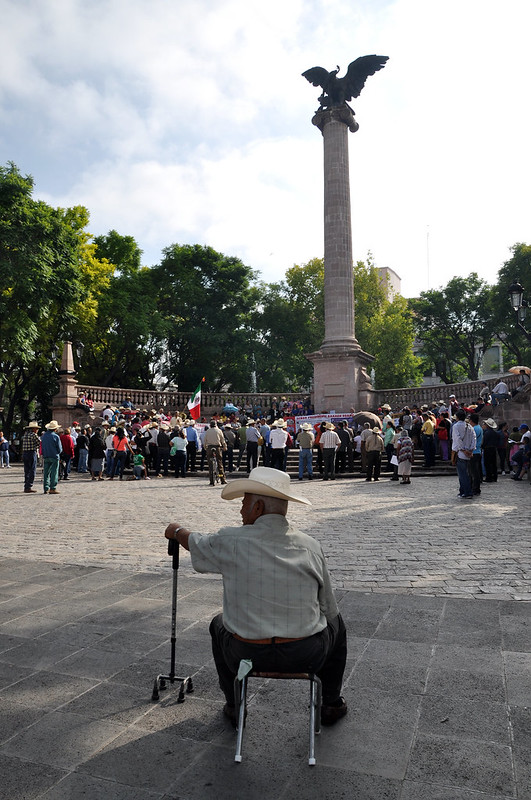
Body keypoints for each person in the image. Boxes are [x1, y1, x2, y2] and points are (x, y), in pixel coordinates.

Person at [164, 466, 348, 727]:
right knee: (337, 626)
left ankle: (234, 704)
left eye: (244, 503)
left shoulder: (230, 540)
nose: (241, 510)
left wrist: (175, 529)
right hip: (305, 653)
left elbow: (194, 541)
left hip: (245, 652)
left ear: (258, 507)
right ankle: (330, 702)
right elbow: (328, 607)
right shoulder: (310, 546)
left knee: (218, 624)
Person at [451, 409, 476, 500]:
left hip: (461, 453)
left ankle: (467, 492)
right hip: (469, 453)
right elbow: (474, 438)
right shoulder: (469, 426)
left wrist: (463, 449)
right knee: (466, 473)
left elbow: (457, 439)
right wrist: (471, 449)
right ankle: (463, 491)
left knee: (462, 474)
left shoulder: (456, 426)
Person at [41, 420, 62, 494]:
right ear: (55, 429)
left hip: (46, 455)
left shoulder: (43, 436)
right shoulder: (56, 436)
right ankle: (52, 488)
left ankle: (45, 488)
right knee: (54, 472)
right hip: (54, 456)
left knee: (46, 472)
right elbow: (59, 449)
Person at [203, 421, 227, 485]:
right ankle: (222, 479)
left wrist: (205, 447)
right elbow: (222, 440)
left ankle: (211, 480)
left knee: (210, 465)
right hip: (217, 447)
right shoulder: (219, 430)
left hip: (209, 448)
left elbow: (205, 440)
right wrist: (224, 447)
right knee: (220, 464)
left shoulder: (208, 431)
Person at [21, 421, 41, 493]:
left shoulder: (25, 435)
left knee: (27, 470)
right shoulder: (34, 435)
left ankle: (26, 485)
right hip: (31, 452)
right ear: (34, 429)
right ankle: (29, 486)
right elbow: (39, 443)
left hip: (25, 453)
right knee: (32, 470)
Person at [481, 418, 499, 483]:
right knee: (494, 464)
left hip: (487, 449)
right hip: (493, 448)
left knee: (487, 463)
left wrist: (482, 447)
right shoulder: (495, 433)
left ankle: (489, 477)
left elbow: (484, 442)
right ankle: (495, 477)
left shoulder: (486, 433)